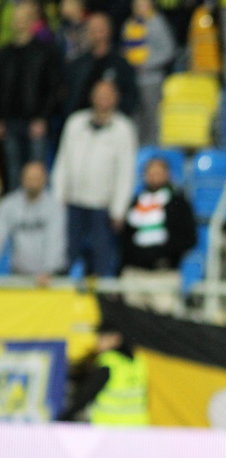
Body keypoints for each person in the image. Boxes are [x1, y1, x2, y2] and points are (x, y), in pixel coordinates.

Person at [52, 79, 138, 277]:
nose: (103, 100)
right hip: (72, 202)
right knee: (66, 257)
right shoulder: (75, 122)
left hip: (103, 206)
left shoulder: (123, 128)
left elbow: (126, 171)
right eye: (99, 94)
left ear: (115, 99)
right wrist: (58, 197)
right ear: (92, 96)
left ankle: (102, 302)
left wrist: (119, 208)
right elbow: (62, 161)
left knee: (102, 261)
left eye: (107, 95)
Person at [121, 157, 197, 314]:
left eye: (158, 173)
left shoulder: (178, 203)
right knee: (133, 323)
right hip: (136, 273)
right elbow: (125, 238)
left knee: (163, 327)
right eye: (150, 173)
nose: (154, 177)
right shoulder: (135, 203)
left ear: (167, 175)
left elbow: (188, 239)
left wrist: (163, 254)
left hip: (164, 274)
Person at [0, 1, 61, 194]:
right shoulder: (5, 53)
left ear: (33, 21)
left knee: (37, 171)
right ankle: (15, 220)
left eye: (25, 19)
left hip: (35, 122)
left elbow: (53, 88)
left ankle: (39, 218)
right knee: (13, 171)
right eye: (17, 19)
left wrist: (43, 117)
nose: (20, 23)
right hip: (10, 122)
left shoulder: (44, 52)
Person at [57, 320, 149, 426]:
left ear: (116, 339)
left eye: (102, 337)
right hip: (137, 427)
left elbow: (87, 394)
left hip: (108, 427)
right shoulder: (139, 361)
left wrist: (65, 417)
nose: (97, 342)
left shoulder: (109, 361)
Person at [0, 161, 66, 285]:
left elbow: (55, 240)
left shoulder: (54, 207)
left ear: (44, 180)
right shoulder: (9, 205)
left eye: (36, 178)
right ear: (22, 179)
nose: (32, 183)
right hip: (19, 273)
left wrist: (48, 270)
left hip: (49, 278)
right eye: (29, 178)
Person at [62, 11, 138, 119]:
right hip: (83, 123)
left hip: (113, 122)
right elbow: (71, 98)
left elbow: (130, 96)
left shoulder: (121, 64)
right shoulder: (77, 65)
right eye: (92, 29)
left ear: (109, 30)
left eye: (100, 29)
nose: (96, 33)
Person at [121, 0, 176, 145]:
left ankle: (151, 147)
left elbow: (168, 51)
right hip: (132, 79)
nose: (139, 8)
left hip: (152, 79)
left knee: (151, 116)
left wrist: (146, 64)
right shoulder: (130, 24)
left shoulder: (157, 23)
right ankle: (135, 145)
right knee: (135, 115)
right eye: (137, 5)